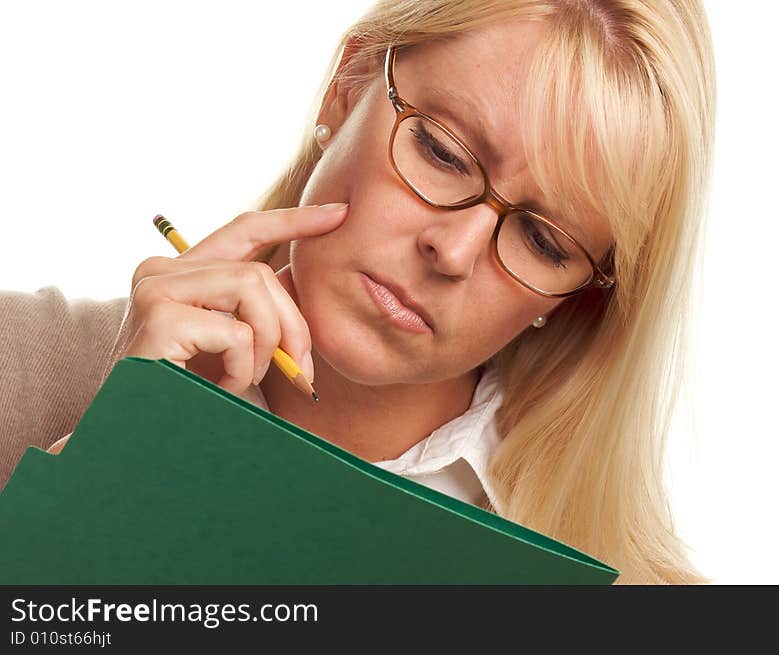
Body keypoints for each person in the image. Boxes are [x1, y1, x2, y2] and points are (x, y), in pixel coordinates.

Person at [0, 0, 716, 584]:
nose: (454, 251)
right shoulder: (21, 366)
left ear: (572, 300)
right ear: (349, 86)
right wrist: (97, 476)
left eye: (543, 242)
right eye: (441, 150)